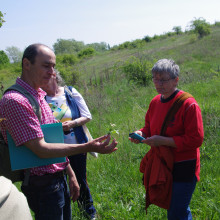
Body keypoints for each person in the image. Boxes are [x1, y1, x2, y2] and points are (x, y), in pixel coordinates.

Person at [0, 43, 118, 220]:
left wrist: (70, 174)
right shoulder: (15, 100)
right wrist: (86, 146)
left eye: (53, 66)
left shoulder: (38, 95)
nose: (52, 72)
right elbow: (40, 149)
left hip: (57, 178)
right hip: (41, 185)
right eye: (46, 66)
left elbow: (54, 139)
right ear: (26, 64)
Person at [129, 59, 204, 220]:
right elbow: (149, 128)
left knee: (176, 211)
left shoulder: (189, 105)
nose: (158, 83)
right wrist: (141, 133)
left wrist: (162, 141)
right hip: (163, 163)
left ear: (176, 80)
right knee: (177, 207)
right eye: (155, 79)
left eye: (163, 79)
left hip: (184, 165)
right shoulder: (155, 102)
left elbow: (196, 139)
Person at [42, 71, 97, 219]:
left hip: (77, 146)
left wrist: (72, 123)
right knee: (60, 183)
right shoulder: (40, 98)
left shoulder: (70, 92)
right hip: (55, 149)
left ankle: (88, 211)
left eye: (49, 74)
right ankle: (67, 213)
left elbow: (87, 115)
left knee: (80, 179)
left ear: (55, 75)